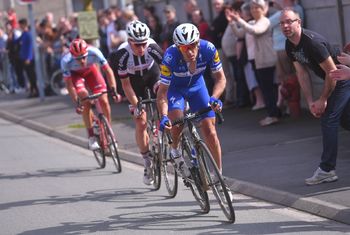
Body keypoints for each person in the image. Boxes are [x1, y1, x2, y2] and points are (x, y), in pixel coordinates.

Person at [157, 23, 232, 198]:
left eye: (192, 46)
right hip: (176, 90)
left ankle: (219, 179)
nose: (189, 51)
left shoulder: (208, 49)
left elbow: (221, 79)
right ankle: (175, 149)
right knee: (177, 121)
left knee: (210, 131)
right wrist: (164, 116)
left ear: (198, 42)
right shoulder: (170, 57)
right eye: (184, 48)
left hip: (198, 87)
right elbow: (162, 93)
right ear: (177, 47)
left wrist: (215, 97)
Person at [280, 9, 350, 185]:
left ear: (299, 22)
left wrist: (323, 99)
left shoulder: (313, 43)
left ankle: (327, 170)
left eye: (289, 21)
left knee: (329, 120)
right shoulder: (290, 45)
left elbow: (332, 72)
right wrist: (311, 101)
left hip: (342, 78)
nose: (285, 26)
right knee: (346, 120)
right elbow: (302, 74)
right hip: (334, 79)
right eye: (282, 23)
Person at [110, 20, 164, 186]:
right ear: (129, 42)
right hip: (133, 82)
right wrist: (136, 104)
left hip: (152, 73)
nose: (141, 49)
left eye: (143, 44)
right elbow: (125, 85)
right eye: (137, 45)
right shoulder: (122, 56)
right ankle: (147, 162)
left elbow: (167, 73)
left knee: (163, 96)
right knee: (140, 121)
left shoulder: (154, 48)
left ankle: (160, 133)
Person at [61, 38, 121, 151]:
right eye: (78, 59)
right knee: (84, 99)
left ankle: (109, 133)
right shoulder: (66, 61)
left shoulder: (95, 52)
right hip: (76, 76)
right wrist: (77, 102)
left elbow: (108, 71)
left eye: (84, 57)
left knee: (104, 100)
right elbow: (69, 85)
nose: (82, 61)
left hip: (91, 72)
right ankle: (91, 136)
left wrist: (114, 90)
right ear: (72, 56)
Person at [226, 0, 279, 126]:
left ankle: (274, 114)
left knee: (269, 89)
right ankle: (272, 113)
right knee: (265, 88)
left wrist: (239, 21)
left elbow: (255, 30)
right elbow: (240, 33)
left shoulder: (265, 21)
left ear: (263, 9)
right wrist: (233, 22)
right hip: (257, 61)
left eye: (257, 8)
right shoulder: (250, 22)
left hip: (267, 60)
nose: (254, 10)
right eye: (252, 8)